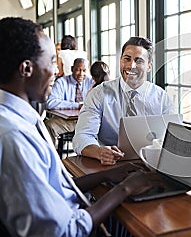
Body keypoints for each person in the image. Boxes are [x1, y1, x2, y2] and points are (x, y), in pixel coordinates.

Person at [0, 17, 161, 236]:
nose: (56, 72)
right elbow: (65, 232)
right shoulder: (14, 137)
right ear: (26, 69)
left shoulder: (20, 120)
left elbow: (56, 186)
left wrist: (109, 174)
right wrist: (125, 189)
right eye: (51, 62)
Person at [73, 36, 174, 165]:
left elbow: (173, 137)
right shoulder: (99, 94)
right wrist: (99, 152)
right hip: (110, 166)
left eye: (139, 61)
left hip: (152, 165)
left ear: (149, 66)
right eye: (127, 59)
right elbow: (82, 136)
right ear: (120, 60)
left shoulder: (162, 98)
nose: (131, 66)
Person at [45, 58, 94, 145]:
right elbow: (50, 103)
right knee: (49, 126)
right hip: (68, 121)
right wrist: (77, 105)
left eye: (84, 70)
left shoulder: (91, 82)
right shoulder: (61, 82)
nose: (81, 74)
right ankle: (51, 156)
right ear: (72, 69)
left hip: (87, 120)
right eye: (78, 70)